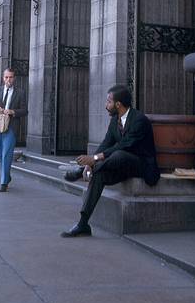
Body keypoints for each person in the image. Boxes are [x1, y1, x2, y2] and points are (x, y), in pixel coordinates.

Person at [61, 84, 160, 237]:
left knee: (119, 154)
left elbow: (124, 145)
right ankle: (83, 224)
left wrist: (93, 160)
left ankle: (81, 172)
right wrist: (90, 163)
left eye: (108, 101)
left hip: (141, 166)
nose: (106, 105)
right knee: (99, 176)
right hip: (120, 166)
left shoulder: (139, 120)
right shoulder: (115, 120)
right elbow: (106, 144)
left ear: (118, 104)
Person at [0, 68, 27, 192]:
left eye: (11, 77)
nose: (8, 80)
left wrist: (13, 112)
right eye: (6, 77)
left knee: (6, 154)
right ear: (3, 78)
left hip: (12, 128)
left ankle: (3, 183)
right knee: (0, 155)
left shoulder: (20, 93)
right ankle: (7, 176)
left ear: (14, 78)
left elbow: (25, 110)